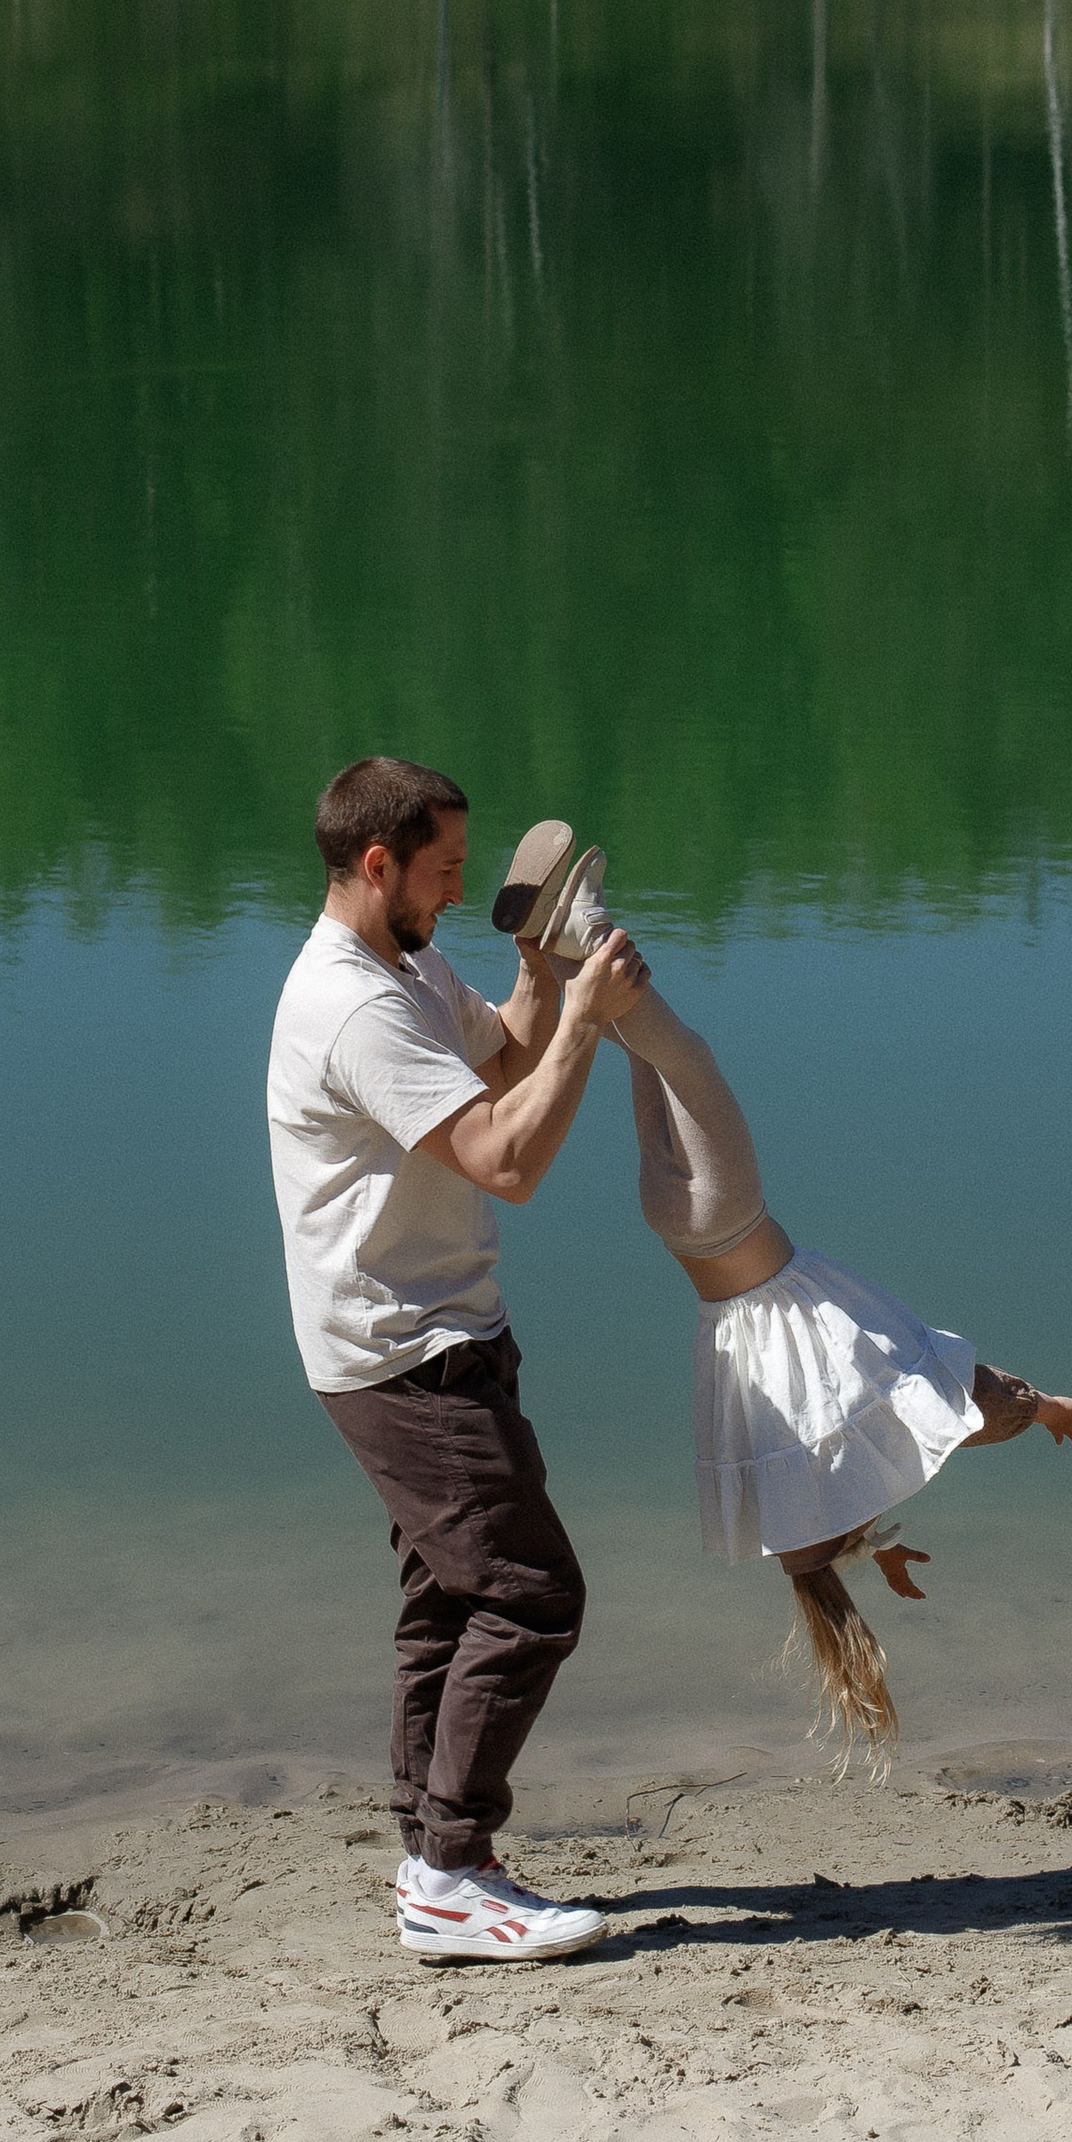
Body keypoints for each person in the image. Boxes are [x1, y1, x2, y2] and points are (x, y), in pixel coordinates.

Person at [526, 838, 1072, 1757]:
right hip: (679, 1236)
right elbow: (830, 1519)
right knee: (642, 1056)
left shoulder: (838, 1488)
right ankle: (566, 952)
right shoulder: (798, 1529)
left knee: (684, 1057)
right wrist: (871, 1550)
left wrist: (1042, 1412)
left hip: (734, 1226)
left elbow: (969, 1402)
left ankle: (582, 932)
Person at [266, 762, 647, 1966]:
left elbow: (498, 1066)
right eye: (441, 870)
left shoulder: (411, 962)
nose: (457, 888)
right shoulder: (352, 1006)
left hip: (446, 1330)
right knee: (531, 1595)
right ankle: (449, 1872)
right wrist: (589, 1021)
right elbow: (509, 1160)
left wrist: (542, 976)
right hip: (397, 1351)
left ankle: (430, 1847)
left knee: (448, 1602)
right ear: (375, 865)